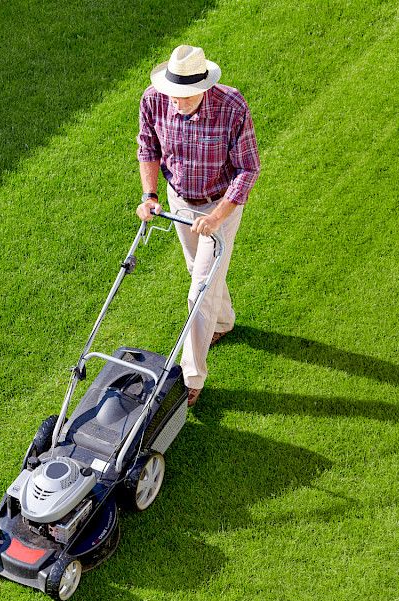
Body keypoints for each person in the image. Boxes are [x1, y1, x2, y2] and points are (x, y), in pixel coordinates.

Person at [135, 44, 260, 406]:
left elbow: (248, 169)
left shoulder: (231, 107)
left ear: (204, 87)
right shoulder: (153, 100)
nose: (176, 101)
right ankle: (222, 323)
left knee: (199, 290)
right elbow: (148, 147)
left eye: (185, 96)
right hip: (179, 200)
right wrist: (150, 196)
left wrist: (217, 215)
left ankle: (190, 378)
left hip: (219, 204)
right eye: (173, 93)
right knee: (200, 271)